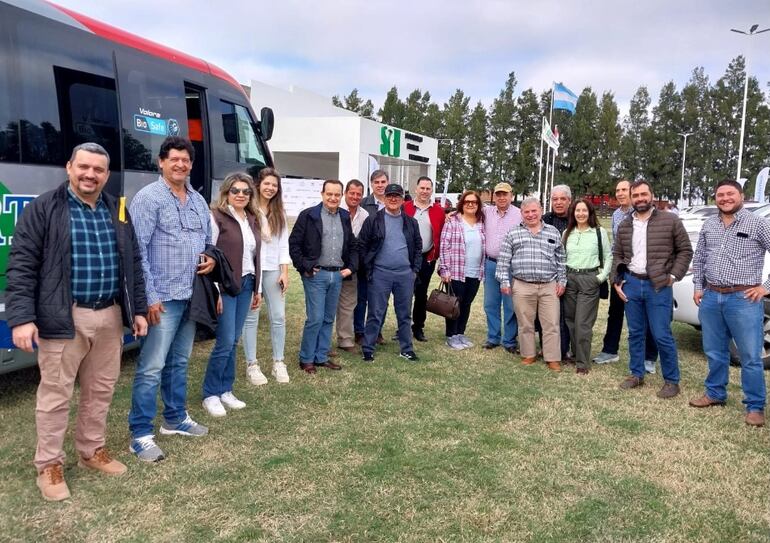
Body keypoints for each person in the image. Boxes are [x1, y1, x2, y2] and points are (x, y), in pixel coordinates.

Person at [6, 143, 148, 500]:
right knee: (55, 394)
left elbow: (132, 263)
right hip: (63, 315)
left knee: (101, 389)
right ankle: (49, 465)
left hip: (110, 315)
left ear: (107, 174)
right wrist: (22, 318)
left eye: (98, 170)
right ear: (69, 167)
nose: (90, 175)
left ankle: (91, 451)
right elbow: (21, 265)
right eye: (83, 167)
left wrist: (139, 310)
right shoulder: (45, 208)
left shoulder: (117, 209)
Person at [128, 136, 215, 463]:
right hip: (161, 299)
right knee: (152, 366)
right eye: (174, 159)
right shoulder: (148, 198)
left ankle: (175, 419)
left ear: (191, 165)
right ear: (161, 162)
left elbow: (208, 241)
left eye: (186, 160)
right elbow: (137, 252)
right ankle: (140, 433)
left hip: (191, 296)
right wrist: (148, 297)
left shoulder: (196, 199)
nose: (180, 164)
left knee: (179, 362)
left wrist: (211, 259)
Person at [689, 179, 768, 427]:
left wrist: (765, 288)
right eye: (720, 195)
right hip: (712, 297)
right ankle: (715, 393)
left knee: (750, 356)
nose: (724, 198)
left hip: (743, 299)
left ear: (741, 196)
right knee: (714, 351)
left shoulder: (757, 224)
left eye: (730, 194)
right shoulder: (710, 224)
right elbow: (700, 256)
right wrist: (698, 286)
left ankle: (755, 406)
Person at [611, 180, 692, 398]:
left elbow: (685, 250)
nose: (640, 198)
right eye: (635, 195)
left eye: (643, 194)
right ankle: (636, 373)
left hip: (658, 285)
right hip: (632, 284)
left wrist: (673, 276)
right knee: (635, 333)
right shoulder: (625, 224)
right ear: (631, 197)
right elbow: (617, 254)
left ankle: (672, 381)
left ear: (652, 195)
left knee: (661, 334)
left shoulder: (670, 220)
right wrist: (617, 279)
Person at [201, 173, 261, 417]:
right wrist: (214, 290)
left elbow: (257, 255)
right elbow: (209, 253)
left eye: (246, 192)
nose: (240, 195)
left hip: (247, 284)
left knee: (234, 339)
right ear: (226, 192)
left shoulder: (252, 219)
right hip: (224, 286)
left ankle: (226, 389)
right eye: (235, 190)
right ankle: (210, 393)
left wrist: (256, 289)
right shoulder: (216, 217)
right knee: (225, 341)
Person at [289, 180, 357, 373]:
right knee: (315, 318)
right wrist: (305, 267)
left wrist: (350, 267)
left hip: (337, 275)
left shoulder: (344, 216)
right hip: (315, 275)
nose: (333, 198)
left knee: (328, 318)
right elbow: (294, 244)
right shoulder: (308, 215)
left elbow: (352, 245)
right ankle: (306, 358)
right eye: (329, 194)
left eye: (337, 194)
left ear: (341, 196)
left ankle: (320, 356)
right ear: (322, 194)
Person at [593, 180, 659, 372]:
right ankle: (610, 350)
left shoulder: (643, 213)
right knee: (615, 311)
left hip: (642, 273)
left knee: (644, 315)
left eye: (624, 190)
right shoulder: (616, 215)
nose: (621, 193)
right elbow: (615, 247)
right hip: (622, 268)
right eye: (617, 190)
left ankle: (649, 357)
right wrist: (614, 273)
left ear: (633, 192)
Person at [497, 198, 566, 371]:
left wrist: (562, 280)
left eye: (534, 211)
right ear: (522, 214)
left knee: (551, 323)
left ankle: (552, 358)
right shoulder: (512, 233)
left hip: (549, 285)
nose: (531, 215)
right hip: (522, 285)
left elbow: (561, 259)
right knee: (525, 323)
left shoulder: (553, 232)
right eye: (526, 212)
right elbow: (503, 260)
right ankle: (529, 354)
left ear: (541, 211)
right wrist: (504, 281)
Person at [359, 183, 422, 362]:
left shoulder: (411, 222)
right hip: (380, 273)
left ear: (403, 199)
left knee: (404, 314)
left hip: (405, 275)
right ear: (384, 198)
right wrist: (368, 267)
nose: (393, 199)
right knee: (375, 312)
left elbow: (418, 247)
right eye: (389, 196)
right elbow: (362, 245)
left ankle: (406, 349)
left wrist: (414, 270)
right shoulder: (373, 220)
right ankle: (368, 348)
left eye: (397, 196)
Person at [241, 167, 291, 385]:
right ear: (258, 184)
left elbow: (283, 245)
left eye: (275, 185)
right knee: (251, 316)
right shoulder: (249, 212)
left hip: (273, 270)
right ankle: (252, 364)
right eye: (267, 184)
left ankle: (278, 362)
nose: (271, 188)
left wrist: (285, 272)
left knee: (278, 316)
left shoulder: (278, 212)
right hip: (252, 270)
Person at [562, 199, 611, 374]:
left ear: (590, 213)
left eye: (584, 210)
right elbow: (561, 257)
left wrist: (601, 277)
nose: (580, 214)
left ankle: (583, 363)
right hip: (570, 278)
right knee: (571, 321)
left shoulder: (599, 232)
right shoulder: (567, 232)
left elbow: (608, 257)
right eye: (577, 210)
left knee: (583, 323)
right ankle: (575, 355)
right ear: (573, 213)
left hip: (589, 279)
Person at [439, 190, 486, 350]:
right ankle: (451, 335)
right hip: (456, 270)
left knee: (466, 304)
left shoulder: (482, 222)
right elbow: (444, 247)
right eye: (467, 202)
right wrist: (444, 270)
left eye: (474, 202)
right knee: (454, 304)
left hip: (475, 271)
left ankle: (460, 333)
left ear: (478, 205)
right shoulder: (452, 221)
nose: (471, 204)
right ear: (462, 204)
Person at [482, 182, 522, 353]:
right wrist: (452, 213)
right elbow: (466, 212)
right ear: (494, 196)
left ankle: (510, 340)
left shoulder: (519, 214)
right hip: (490, 263)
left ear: (511, 195)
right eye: (498, 194)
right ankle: (493, 337)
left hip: (511, 266)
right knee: (490, 303)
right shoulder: (486, 212)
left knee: (511, 305)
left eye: (505, 194)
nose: (501, 197)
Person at [403, 176, 444, 342]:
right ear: (416, 189)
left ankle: (418, 327)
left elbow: (441, 232)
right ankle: (402, 327)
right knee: (404, 294)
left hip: (426, 259)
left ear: (431, 190)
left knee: (421, 294)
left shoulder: (438, 211)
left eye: (428, 188)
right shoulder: (405, 207)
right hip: (405, 258)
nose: (425, 191)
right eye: (422, 188)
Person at [355, 169, 390, 344]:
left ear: (388, 182)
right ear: (371, 184)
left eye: (383, 182)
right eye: (376, 182)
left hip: (386, 259)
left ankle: (376, 331)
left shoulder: (394, 202)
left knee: (381, 299)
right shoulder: (363, 203)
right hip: (366, 259)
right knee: (362, 298)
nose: (380, 185)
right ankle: (360, 332)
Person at [336, 179, 369, 352]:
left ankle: (346, 340)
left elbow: (362, 243)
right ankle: (323, 341)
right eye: (352, 193)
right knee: (326, 307)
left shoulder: (365, 216)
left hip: (351, 266)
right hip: (332, 264)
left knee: (348, 305)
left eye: (358, 194)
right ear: (345, 193)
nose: (355, 197)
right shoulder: (335, 210)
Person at [542, 184, 572, 359]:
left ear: (569, 200)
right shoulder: (544, 219)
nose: (558, 202)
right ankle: (547, 346)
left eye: (562, 199)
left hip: (571, 273)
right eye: (555, 199)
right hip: (548, 274)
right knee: (546, 314)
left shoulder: (575, 219)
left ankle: (564, 348)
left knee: (567, 314)